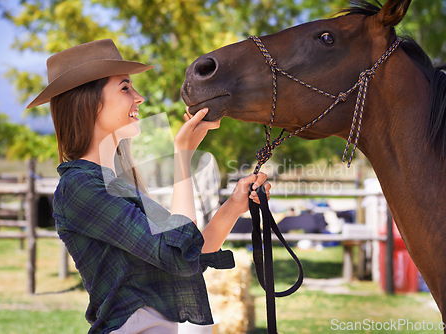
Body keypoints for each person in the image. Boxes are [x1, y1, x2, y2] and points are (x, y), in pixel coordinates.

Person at [27, 39, 270, 334]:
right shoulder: (80, 187)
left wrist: (234, 206)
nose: (139, 97)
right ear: (89, 101)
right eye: (125, 87)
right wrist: (183, 157)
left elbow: (189, 251)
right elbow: (178, 257)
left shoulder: (115, 183)